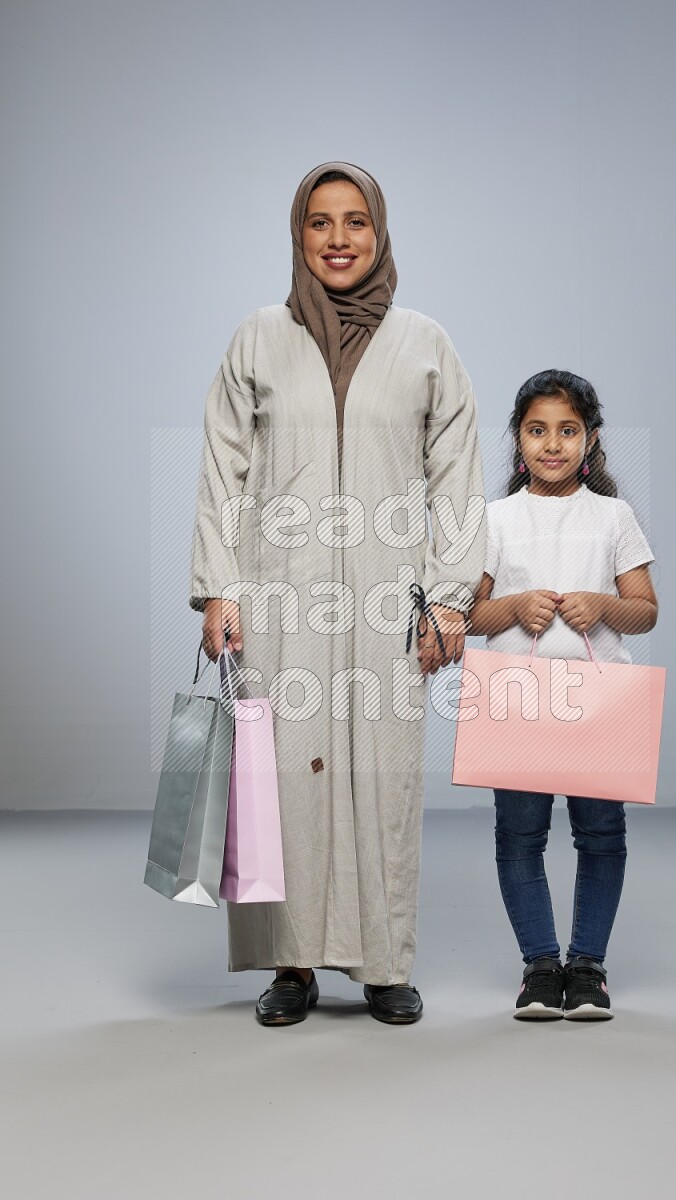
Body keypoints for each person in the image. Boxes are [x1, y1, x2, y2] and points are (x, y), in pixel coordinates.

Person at [188, 161, 485, 1025]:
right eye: (321, 223)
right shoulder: (257, 338)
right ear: (299, 235)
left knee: (385, 776)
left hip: (390, 599)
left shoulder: (427, 343)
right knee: (277, 778)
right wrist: (218, 588)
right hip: (279, 594)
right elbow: (222, 473)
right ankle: (293, 966)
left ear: (380, 232)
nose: (339, 239)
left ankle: (386, 962)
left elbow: (458, 480)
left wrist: (452, 598)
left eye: (356, 222)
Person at [468, 370, 657, 1020]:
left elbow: (644, 612)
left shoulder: (613, 516)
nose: (553, 443)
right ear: (518, 441)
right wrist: (515, 605)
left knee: (600, 834)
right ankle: (540, 968)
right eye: (538, 429)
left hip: (599, 702)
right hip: (518, 699)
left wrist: (603, 602)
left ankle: (589, 968)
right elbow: (468, 616)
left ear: (591, 440)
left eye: (568, 430)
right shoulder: (495, 518)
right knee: (520, 837)